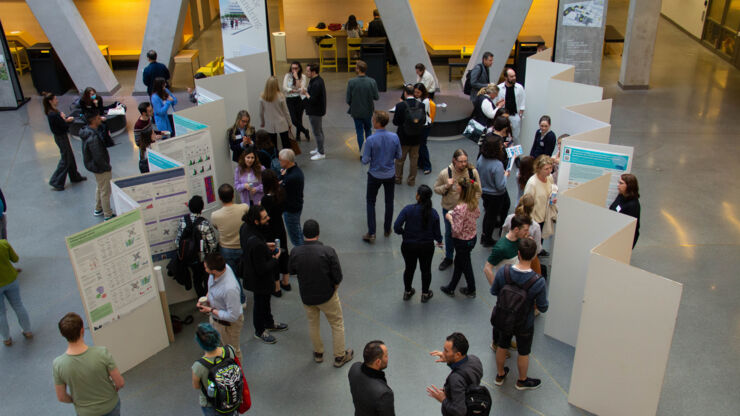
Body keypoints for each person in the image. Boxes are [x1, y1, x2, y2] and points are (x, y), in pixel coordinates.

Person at [289, 219, 354, 367]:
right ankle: (339, 357)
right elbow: (338, 276)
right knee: (336, 323)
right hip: (327, 295)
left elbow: (291, 270)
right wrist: (334, 288)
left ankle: (318, 353)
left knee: (313, 324)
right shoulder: (328, 251)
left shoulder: (295, 252)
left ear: (303, 233)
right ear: (318, 234)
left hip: (307, 296)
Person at [487, 239, 548, 390]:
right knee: (524, 352)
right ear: (534, 255)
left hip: (504, 318)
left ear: (518, 253)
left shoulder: (504, 271)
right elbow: (543, 307)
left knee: (502, 345)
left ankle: (500, 375)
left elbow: (494, 291)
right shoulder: (538, 281)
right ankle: (522, 380)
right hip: (524, 322)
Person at [53, 313, 124, 415]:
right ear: (82, 330)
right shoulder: (102, 353)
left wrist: (77, 402)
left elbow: (61, 397)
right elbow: (120, 383)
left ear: (62, 334)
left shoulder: (58, 364)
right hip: (110, 406)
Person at [240, 205, 288, 344]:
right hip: (259, 279)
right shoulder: (256, 244)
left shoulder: (245, 228)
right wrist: (275, 258)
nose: (268, 218)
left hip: (251, 272)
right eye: (265, 217)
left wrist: (265, 246)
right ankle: (260, 330)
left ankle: (269, 322)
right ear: (256, 221)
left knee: (265, 301)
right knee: (260, 303)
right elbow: (262, 268)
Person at [433, 149, 481, 271]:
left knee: (465, 235)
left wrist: (472, 204)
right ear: (454, 160)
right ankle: (449, 257)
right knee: (449, 234)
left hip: (467, 211)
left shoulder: (472, 172)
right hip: (449, 210)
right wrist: (446, 186)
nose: (464, 164)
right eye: (461, 161)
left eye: (465, 161)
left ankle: (462, 256)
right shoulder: (445, 173)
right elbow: (436, 189)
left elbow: (478, 191)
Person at [394, 185, 442, 302]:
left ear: (418, 196)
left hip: (408, 245)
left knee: (409, 269)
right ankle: (425, 294)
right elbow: (437, 234)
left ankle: (408, 291)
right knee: (426, 270)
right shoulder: (433, 213)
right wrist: (439, 241)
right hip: (426, 247)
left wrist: (404, 233)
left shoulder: (408, 209)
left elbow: (396, 227)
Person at [196, 253, 244, 363]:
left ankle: (237, 376)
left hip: (228, 325)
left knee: (232, 352)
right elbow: (212, 289)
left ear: (214, 270)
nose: (204, 268)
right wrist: (206, 299)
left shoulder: (229, 289)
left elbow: (233, 316)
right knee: (219, 349)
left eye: (206, 267)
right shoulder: (220, 270)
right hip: (216, 319)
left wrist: (210, 310)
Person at [362, 111, 402, 243]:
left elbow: (365, 160)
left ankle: (372, 232)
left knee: (370, 202)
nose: (372, 121)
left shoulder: (371, 139)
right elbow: (399, 156)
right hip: (390, 174)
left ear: (378, 122)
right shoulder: (394, 137)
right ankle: (387, 229)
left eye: (373, 119)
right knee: (389, 202)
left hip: (374, 175)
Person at [440, 176, 481, 298]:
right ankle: (451, 287)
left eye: (458, 186)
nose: (456, 187)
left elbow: (456, 230)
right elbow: (477, 215)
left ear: (462, 190)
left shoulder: (459, 208)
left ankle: (471, 289)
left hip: (461, 241)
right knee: (460, 262)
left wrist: (450, 218)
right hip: (472, 238)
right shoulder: (473, 203)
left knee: (465, 264)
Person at [426, 332, 483, 415]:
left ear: (457, 355)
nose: (443, 353)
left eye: (446, 351)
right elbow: (462, 368)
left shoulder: (455, 379)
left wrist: (443, 399)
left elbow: (460, 411)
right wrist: (448, 358)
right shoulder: (475, 360)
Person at [191, 323, 240, 416]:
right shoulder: (230, 350)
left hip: (211, 403)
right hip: (231, 396)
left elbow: (196, 386)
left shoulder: (199, 366)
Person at [175, 195, 218, 297]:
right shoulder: (204, 223)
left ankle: (201, 299)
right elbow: (212, 243)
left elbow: (177, 241)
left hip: (189, 258)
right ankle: (209, 300)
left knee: (196, 279)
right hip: (203, 258)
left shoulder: (183, 220)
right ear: (202, 208)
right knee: (207, 278)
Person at [44, 92, 86, 191]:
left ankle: (74, 176)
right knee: (66, 158)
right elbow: (63, 126)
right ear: (50, 101)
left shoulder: (53, 112)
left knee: (69, 156)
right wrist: (68, 120)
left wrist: (64, 119)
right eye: (55, 99)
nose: (57, 100)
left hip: (61, 137)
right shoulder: (53, 114)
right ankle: (56, 181)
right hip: (61, 137)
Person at [261, 170, 291, 296]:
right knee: (284, 252)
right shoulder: (282, 193)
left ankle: (277, 287)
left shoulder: (265, 200)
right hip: (280, 226)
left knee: (273, 254)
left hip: (270, 230)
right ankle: (286, 282)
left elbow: (264, 215)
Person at [477, 135, 510, 247]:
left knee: (488, 214)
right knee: (491, 216)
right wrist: (505, 176)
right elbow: (500, 186)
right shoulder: (497, 165)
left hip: (485, 192)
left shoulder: (481, 158)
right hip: (496, 195)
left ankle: (485, 235)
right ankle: (487, 239)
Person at [80, 114, 115, 220]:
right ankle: (108, 214)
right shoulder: (93, 137)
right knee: (105, 190)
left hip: (95, 167)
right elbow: (98, 155)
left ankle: (98, 208)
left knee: (100, 187)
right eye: (98, 117)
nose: (100, 119)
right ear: (93, 119)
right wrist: (106, 167)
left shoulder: (87, 132)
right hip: (100, 168)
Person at [348, 340, 395, 415]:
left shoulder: (354, 368)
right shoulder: (384, 394)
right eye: (386, 356)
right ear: (378, 362)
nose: (388, 358)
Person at [210, 184, 249, 274]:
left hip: (226, 249)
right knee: (248, 273)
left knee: (233, 275)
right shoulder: (244, 207)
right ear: (233, 195)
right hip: (243, 245)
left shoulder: (215, 215)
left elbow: (216, 227)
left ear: (219, 198)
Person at [1, 238, 31, 346]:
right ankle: (27, 331)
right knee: (18, 305)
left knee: (1, 313)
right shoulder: (3, 244)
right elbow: (15, 259)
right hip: (10, 280)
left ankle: (6, 338)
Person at [393, 84, 424, 186]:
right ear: (414, 92)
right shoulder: (421, 105)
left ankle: (398, 178)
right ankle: (411, 181)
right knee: (414, 160)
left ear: (405, 93)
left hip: (403, 138)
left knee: (400, 160)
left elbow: (395, 122)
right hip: (416, 138)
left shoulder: (400, 106)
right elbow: (422, 121)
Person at [523, 155, 555, 255]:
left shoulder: (549, 178)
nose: (549, 171)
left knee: (540, 238)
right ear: (538, 168)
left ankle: (539, 250)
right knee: (535, 239)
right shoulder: (532, 183)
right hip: (535, 218)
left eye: (550, 168)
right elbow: (527, 204)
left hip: (545, 214)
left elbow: (552, 189)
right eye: (546, 169)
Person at [346, 60, 379, 152]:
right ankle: (369, 151)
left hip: (356, 111)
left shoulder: (351, 82)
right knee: (368, 130)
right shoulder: (372, 81)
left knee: (359, 131)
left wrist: (354, 104)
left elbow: (348, 99)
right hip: (368, 111)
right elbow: (376, 97)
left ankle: (362, 152)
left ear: (358, 69)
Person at [278, 149, 304, 247]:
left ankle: (301, 255)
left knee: (295, 236)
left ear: (286, 161)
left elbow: (278, 188)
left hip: (291, 209)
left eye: (280, 160)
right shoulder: (294, 171)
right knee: (297, 230)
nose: (279, 161)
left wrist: (281, 177)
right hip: (296, 206)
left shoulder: (291, 177)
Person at [260, 76, 293, 151]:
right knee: (286, 143)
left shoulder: (262, 96)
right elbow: (286, 112)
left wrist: (262, 122)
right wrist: (289, 123)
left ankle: (275, 159)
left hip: (270, 124)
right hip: (282, 123)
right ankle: (286, 158)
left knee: (272, 144)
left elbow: (261, 112)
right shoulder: (280, 96)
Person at [609, 173, 641, 248]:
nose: (618, 185)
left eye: (621, 183)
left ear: (629, 186)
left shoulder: (633, 205)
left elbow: (632, 229)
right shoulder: (621, 195)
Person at [304, 63, 327, 160]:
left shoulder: (317, 83)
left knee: (317, 132)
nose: (306, 73)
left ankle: (321, 153)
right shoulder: (315, 80)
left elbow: (313, 99)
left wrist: (305, 93)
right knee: (319, 130)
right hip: (316, 110)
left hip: (315, 111)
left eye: (308, 71)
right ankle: (319, 148)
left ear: (313, 72)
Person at [282, 62, 310, 141]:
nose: (294, 70)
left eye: (296, 68)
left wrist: (297, 78)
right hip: (290, 99)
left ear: (299, 68)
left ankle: (298, 135)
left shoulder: (303, 77)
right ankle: (305, 131)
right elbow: (284, 87)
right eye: (292, 68)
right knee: (294, 120)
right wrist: (291, 90)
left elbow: (301, 89)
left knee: (299, 118)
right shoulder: (287, 76)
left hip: (299, 99)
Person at [497, 68, 525, 142]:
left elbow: (522, 102)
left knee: (516, 137)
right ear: (506, 77)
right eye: (511, 76)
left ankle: (517, 153)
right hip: (503, 116)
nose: (514, 78)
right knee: (503, 135)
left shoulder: (519, 88)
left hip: (515, 115)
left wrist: (520, 115)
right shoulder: (499, 88)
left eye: (514, 76)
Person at [413, 83, 433, 175]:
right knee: (419, 146)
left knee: (422, 146)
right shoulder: (418, 99)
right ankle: (421, 164)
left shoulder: (425, 101)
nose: (416, 94)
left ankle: (427, 166)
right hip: (420, 125)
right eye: (415, 92)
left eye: (418, 92)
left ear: (422, 92)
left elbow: (420, 113)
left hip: (424, 126)